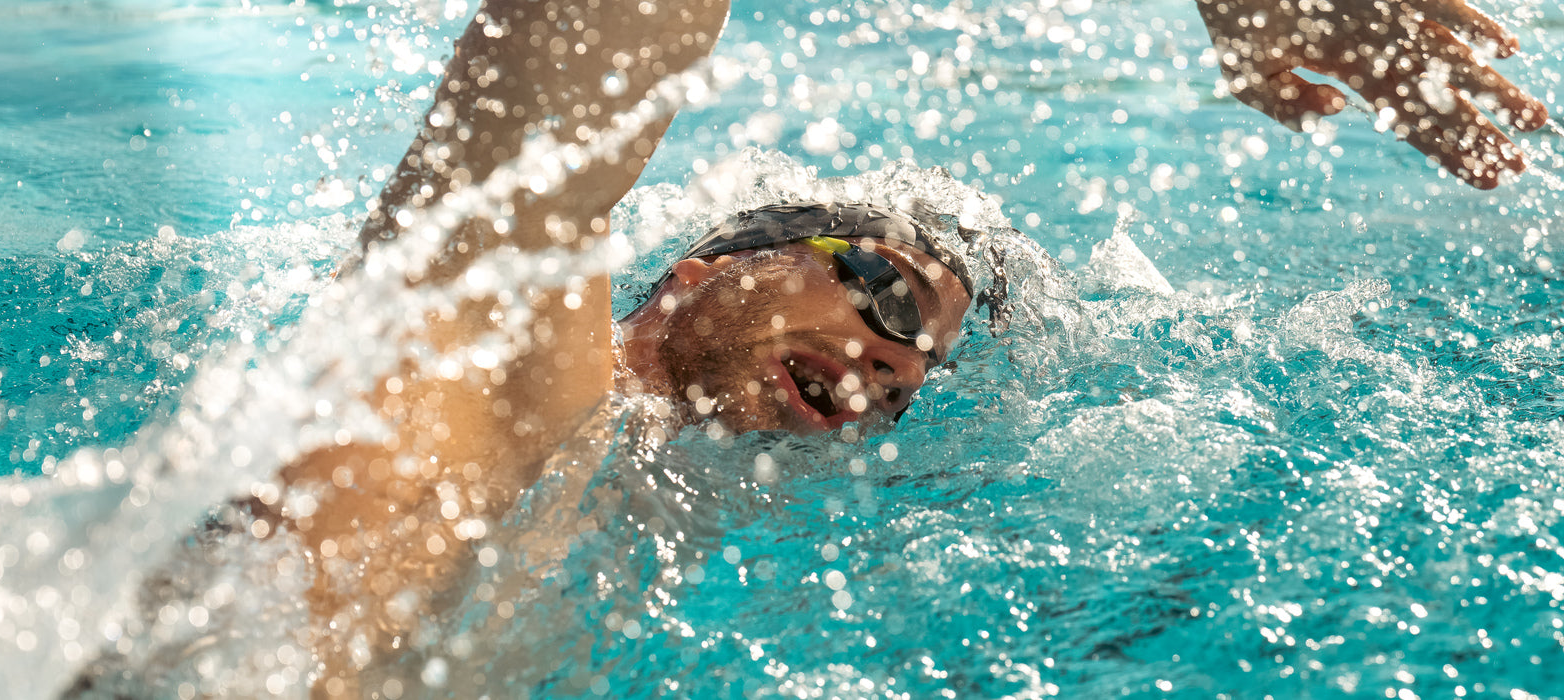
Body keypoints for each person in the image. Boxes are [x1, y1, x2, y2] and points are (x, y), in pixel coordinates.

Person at [244, 0, 1551, 695]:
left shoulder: (688, 540)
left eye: (912, 374)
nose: (890, 366)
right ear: (705, 265)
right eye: (879, 294)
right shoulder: (484, 362)